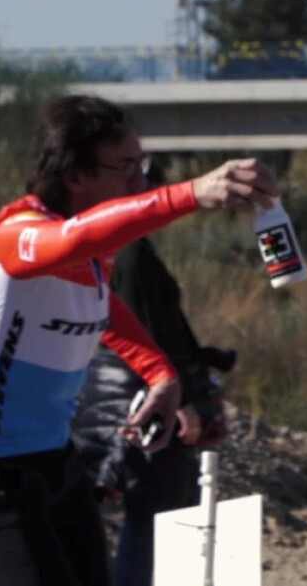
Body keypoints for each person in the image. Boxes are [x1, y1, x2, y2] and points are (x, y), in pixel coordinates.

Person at [0, 95, 277, 586]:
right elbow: (72, 240)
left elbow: (101, 308)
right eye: (126, 167)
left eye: (144, 164)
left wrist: (160, 374)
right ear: (75, 175)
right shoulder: (16, 232)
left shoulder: (96, 253)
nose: (141, 181)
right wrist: (191, 193)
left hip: (55, 459)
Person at [72, 160, 237, 586]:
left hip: (129, 392)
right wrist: (183, 401)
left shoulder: (116, 248)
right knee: (153, 515)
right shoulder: (129, 252)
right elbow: (148, 332)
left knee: (152, 513)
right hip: (143, 395)